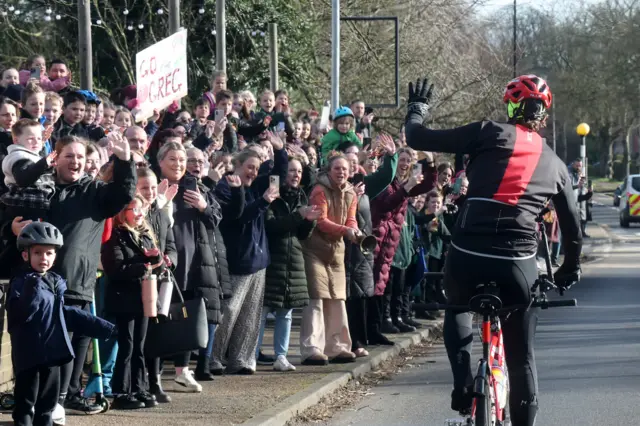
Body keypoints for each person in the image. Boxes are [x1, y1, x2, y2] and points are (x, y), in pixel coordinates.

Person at [404, 75, 582, 426]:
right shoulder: (557, 165)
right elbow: (573, 231)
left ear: (510, 106)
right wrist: (567, 269)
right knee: (521, 359)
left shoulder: (487, 132)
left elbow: (417, 137)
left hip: (469, 252)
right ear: (544, 115)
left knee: (456, 305)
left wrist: (417, 110)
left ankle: (461, 387)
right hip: (516, 262)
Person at [7, 221, 116, 426]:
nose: (43, 258)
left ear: (55, 256)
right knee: (25, 404)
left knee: (47, 405)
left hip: (53, 354)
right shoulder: (21, 282)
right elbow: (21, 313)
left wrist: (101, 327)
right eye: (37, 253)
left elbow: (62, 313)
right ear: (25, 255)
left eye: (49, 253)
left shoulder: (55, 281)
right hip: (28, 355)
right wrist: (32, 287)